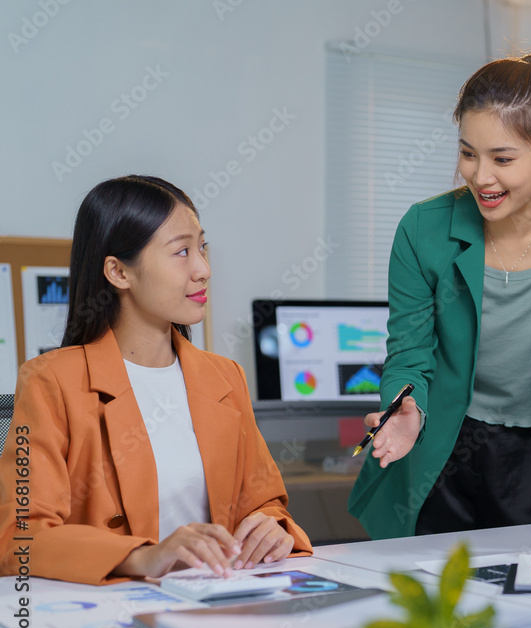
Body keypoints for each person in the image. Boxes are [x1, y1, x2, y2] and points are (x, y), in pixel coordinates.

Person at [348, 52, 531, 539]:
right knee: (434, 586)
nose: (480, 176)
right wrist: (406, 408)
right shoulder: (422, 229)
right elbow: (409, 353)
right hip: (441, 450)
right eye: (468, 153)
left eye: (502, 159)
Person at [0, 175, 312, 585]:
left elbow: (265, 504)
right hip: (111, 608)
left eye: (202, 247)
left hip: (220, 599)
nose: (203, 270)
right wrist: (144, 556)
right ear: (118, 272)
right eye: (181, 251)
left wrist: (272, 528)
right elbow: (20, 537)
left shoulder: (225, 377)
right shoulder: (51, 381)